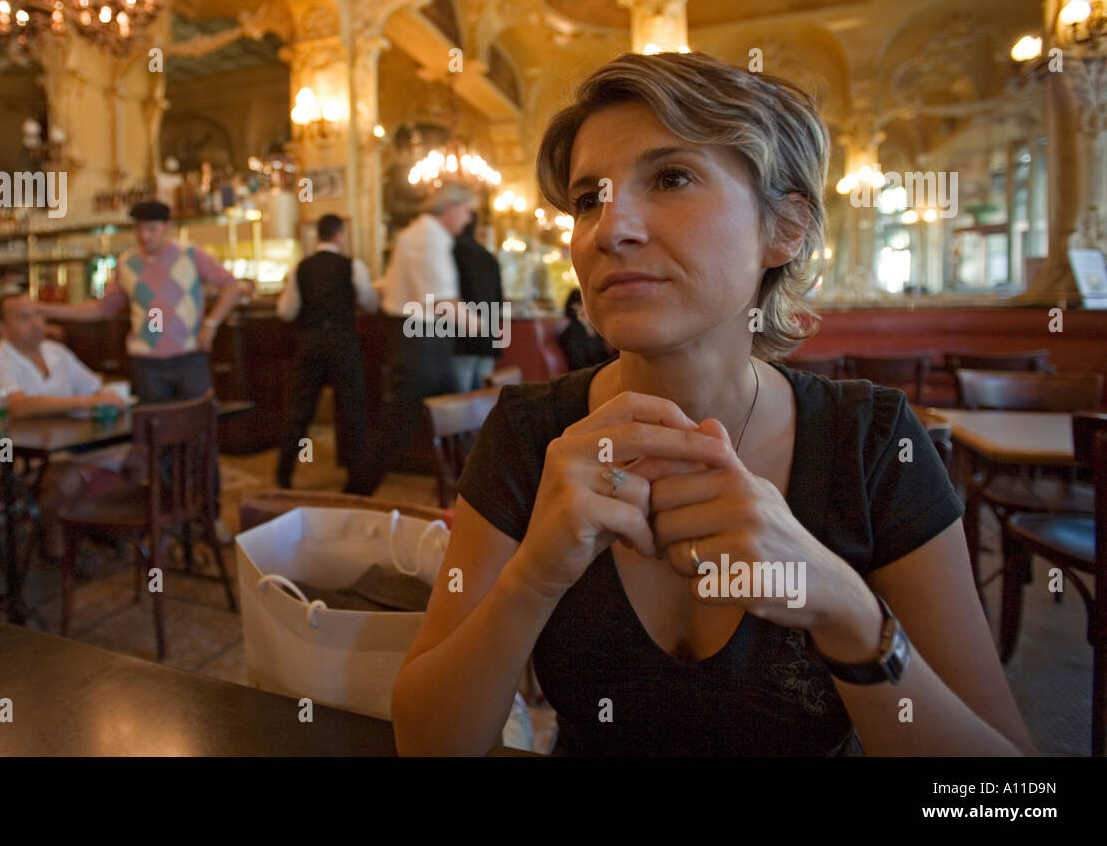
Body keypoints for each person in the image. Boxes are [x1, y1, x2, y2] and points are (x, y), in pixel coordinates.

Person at [392, 51, 1035, 756]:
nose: (610, 230)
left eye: (670, 178)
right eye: (587, 200)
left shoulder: (871, 441)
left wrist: (849, 615)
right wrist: (532, 580)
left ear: (785, 228)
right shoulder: (528, 434)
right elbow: (427, 744)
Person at [36, 200, 244, 404]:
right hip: (145, 361)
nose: (144, 236)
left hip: (189, 355)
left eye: (152, 229)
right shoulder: (127, 263)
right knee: (153, 428)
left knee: (198, 424)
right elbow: (103, 309)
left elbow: (231, 286)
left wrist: (211, 324)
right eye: (139, 229)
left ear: (167, 227)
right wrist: (44, 309)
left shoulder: (190, 253)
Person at [0, 293, 127, 562]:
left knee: (137, 456)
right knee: (65, 475)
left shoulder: (56, 352)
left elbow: (95, 386)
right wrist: (90, 402)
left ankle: (111, 530)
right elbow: (19, 406)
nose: (35, 323)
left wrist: (108, 397)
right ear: (2, 328)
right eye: (24, 318)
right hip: (14, 456)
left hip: (65, 446)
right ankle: (57, 551)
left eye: (38, 315)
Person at [344, 183, 475, 496]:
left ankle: (469, 495)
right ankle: (355, 493)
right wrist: (484, 326)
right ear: (450, 209)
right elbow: (441, 302)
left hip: (424, 338)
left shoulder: (426, 235)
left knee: (454, 420)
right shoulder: (428, 238)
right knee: (401, 425)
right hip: (420, 340)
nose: (469, 219)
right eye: (468, 211)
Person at [274, 213, 378, 490]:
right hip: (343, 342)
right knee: (352, 409)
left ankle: (283, 475)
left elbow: (286, 312)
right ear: (339, 235)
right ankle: (358, 481)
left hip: (310, 342)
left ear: (317, 235)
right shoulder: (352, 266)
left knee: (299, 410)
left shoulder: (302, 268)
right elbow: (370, 302)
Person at [451, 218, 504, 392]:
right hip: (488, 337)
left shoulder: (451, 252)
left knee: (460, 405)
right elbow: (500, 301)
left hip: (460, 340)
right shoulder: (489, 257)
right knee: (484, 403)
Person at [556, 287, 611, 372]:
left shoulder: (594, 329)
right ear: (574, 307)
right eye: (583, 304)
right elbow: (579, 365)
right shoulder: (571, 333)